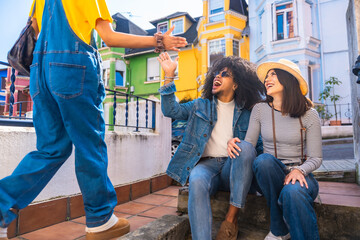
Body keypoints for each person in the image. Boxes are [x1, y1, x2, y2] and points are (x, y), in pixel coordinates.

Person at [0, 1, 187, 240]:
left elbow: (35, 32)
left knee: (50, 150)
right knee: (90, 145)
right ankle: (100, 219)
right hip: (71, 69)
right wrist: (158, 41)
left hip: (40, 75)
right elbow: (108, 37)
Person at [157, 52, 264, 240]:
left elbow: (259, 148)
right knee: (196, 179)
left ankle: (231, 220)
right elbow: (171, 110)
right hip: (207, 166)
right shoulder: (200, 105)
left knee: (246, 147)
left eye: (225, 74)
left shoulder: (248, 113)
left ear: (236, 84)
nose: (217, 76)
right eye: (217, 73)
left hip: (233, 168)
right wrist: (169, 76)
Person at [227, 59, 322, 240]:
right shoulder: (260, 110)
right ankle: (279, 228)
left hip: (301, 176)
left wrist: (299, 170)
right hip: (271, 174)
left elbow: (316, 158)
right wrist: (233, 143)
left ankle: (286, 232)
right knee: (262, 161)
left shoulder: (309, 114)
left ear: (288, 80)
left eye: (274, 74)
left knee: (292, 193)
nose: (267, 79)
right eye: (267, 75)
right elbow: (249, 146)